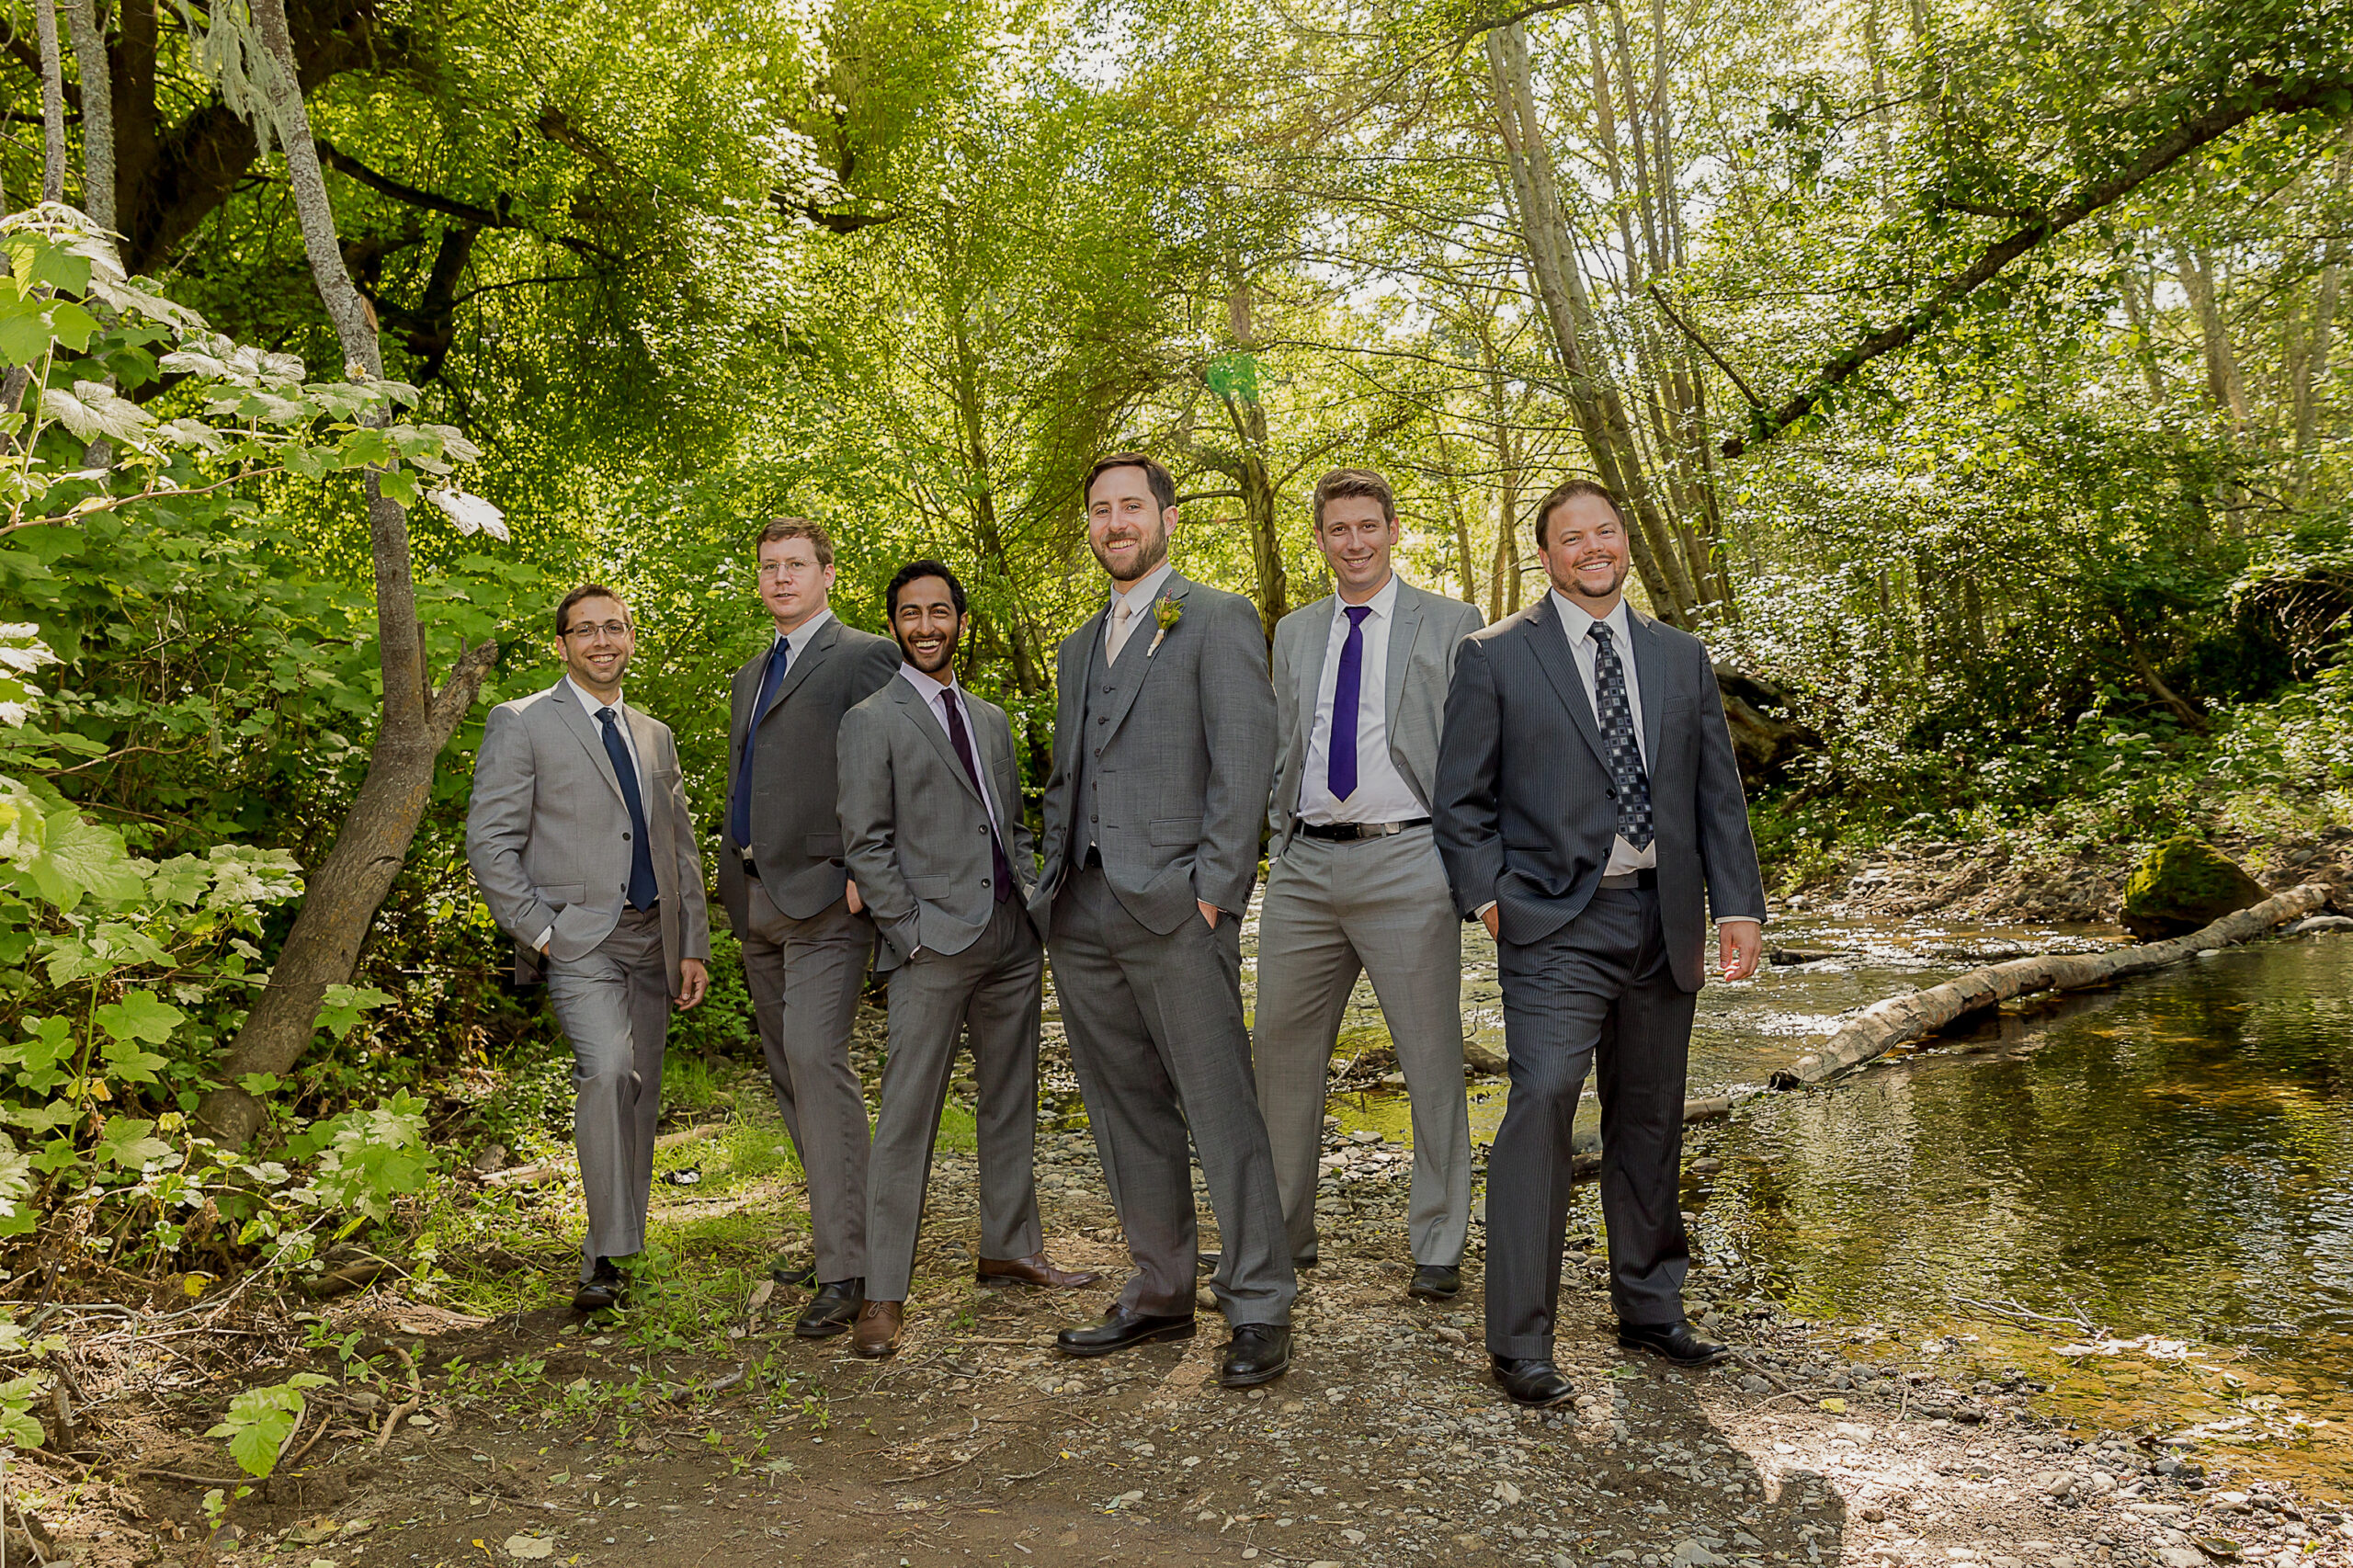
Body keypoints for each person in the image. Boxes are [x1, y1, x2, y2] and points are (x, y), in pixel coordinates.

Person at [1432, 478, 1767, 1408]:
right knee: (1541, 1099)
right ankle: (1520, 1340)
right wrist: (1489, 901)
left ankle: (1651, 1305)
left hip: (1664, 916)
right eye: (1571, 537)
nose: (1592, 547)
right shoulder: (1494, 655)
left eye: (1605, 531)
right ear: (1545, 554)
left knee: (1651, 1112)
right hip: (1550, 920)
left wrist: (1737, 905)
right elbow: (1460, 801)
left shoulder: (1678, 654)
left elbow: (1715, 791)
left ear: (1623, 542)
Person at [1032, 453, 1291, 1389]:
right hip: (1084, 907)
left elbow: (1245, 761)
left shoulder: (1215, 618)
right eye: (1099, 509)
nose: (1114, 522)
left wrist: (1215, 892)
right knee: (1122, 1108)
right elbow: (1072, 775)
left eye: (1130, 506)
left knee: (1220, 1105)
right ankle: (1160, 1287)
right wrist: (1050, 883)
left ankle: (1258, 1299)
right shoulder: (1075, 645)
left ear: (1167, 517)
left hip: (1180, 906)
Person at [835, 561, 1101, 1358]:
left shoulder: (986, 716)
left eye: (940, 612)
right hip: (931, 946)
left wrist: (1032, 898)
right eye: (911, 614)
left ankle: (1009, 1245)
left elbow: (1009, 820)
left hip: (1012, 938)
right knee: (907, 1117)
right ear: (893, 624)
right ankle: (884, 1291)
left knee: (1010, 1097)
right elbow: (865, 843)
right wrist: (909, 932)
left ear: (959, 620)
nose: (926, 626)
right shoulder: (871, 719)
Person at [1253, 468, 1483, 1301]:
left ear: (1393, 530)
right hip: (1305, 866)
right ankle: (1280, 1237)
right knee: (1279, 1055)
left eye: (1367, 526)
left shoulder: (1454, 624)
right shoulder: (1294, 630)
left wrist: (1474, 864)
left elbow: (1475, 751)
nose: (1353, 542)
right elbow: (1287, 742)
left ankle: (1437, 1243)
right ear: (1320, 540)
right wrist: (1276, 842)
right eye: (1337, 529)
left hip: (1408, 859)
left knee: (1429, 1058)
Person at [466, 584, 711, 1313]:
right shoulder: (521, 724)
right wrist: (541, 930)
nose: (602, 641)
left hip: (655, 937)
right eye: (586, 631)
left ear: (631, 637)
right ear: (562, 644)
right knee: (607, 1072)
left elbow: (679, 846)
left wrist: (692, 940)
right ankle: (606, 1258)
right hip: (578, 940)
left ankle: (616, 1245)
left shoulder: (654, 734)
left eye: (615, 628)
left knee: (639, 1097)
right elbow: (490, 842)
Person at [716, 518, 900, 1339]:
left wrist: (871, 867)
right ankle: (837, 1235)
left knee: (819, 1063)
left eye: (796, 566)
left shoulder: (863, 656)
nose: (781, 578)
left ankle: (853, 1268)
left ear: (828, 573)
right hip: (755, 899)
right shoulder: (751, 672)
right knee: (790, 1076)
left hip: (829, 897)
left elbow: (894, 759)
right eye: (769, 568)